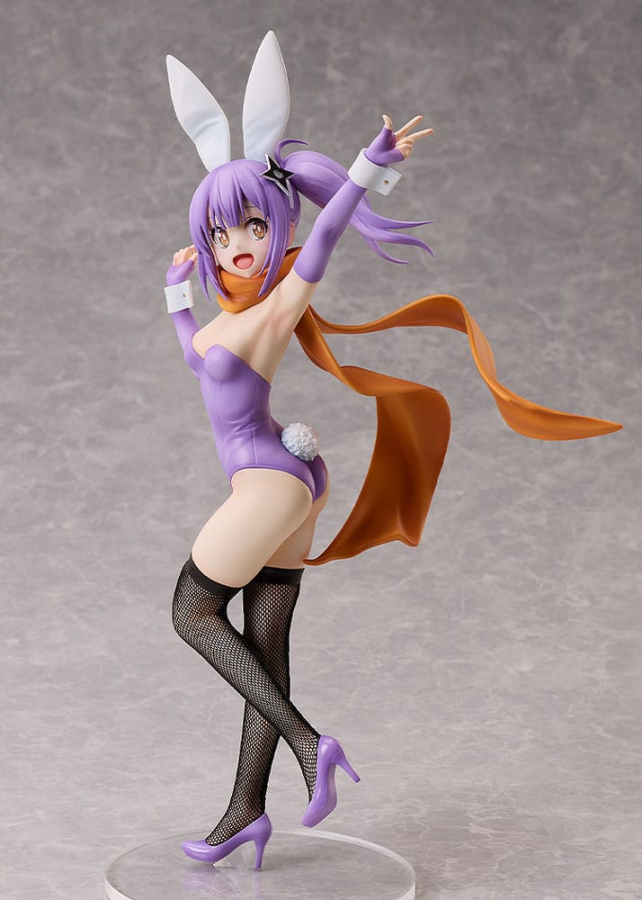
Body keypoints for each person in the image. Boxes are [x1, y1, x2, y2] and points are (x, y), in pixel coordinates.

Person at [163, 33, 620, 868]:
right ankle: (246, 810)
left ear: (277, 226)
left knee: (192, 613)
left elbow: (326, 241)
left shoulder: (275, 306)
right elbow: (199, 360)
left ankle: (310, 745)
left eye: (254, 225)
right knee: (266, 646)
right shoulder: (230, 319)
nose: (238, 244)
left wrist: (365, 169)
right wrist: (174, 301)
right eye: (222, 231)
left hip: (267, 482)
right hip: (290, 478)